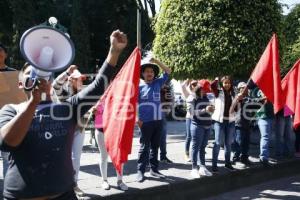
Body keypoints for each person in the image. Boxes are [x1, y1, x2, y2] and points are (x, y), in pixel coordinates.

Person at [0, 30, 127, 199]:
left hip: (64, 194)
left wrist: (114, 51)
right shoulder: (10, 110)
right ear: (21, 84)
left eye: (44, 76)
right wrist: (33, 103)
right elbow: (7, 142)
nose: (39, 80)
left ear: (51, 83)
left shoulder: (67, 109)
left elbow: (97, 87)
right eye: (31, 75)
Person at [51, 65, 87, 197]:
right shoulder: (63, 93)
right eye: (77, 79)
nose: (80, 81)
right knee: (63, 158)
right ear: (70, 80)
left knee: (76, 159)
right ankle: (62, 184)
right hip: (64, 131)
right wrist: (67, 72)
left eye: (81, 79)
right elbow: (55, 85)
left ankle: (74, 184)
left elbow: (87, 110)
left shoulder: (83, 93)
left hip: (79, 130)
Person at [136, 57, 172, 182]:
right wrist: (137, 118)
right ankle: (140, 171)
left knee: (155, 147)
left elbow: (168, 71)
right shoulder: (139, 87)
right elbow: (134, 104)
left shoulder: (158, 83)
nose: (149, 73)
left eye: (151, 71)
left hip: (158, 120)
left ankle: (154, 169)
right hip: (145, 122)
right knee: (144, 147)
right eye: (147, 71)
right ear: (143, 73)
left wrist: (156, 61)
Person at [93, 102, 128, 191]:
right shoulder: (98, 97)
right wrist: (93, 110)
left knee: (118, 156)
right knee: (104, 156)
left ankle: (120, 180)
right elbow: (93, 113)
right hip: (101, 131)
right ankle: (104, 180)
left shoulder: (119, 96)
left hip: (116, 131)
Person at [230, 82, 264, 166]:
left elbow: (256, 104)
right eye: (243, 87)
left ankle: (244, 158)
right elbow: (233, 108)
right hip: (239, 124)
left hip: (248, 124)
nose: (245, 89)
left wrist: (263, 100)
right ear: (239, 89)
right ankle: (235, 158)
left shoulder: (248, 98)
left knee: (246, 142)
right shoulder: (237, 98)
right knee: (239, 142)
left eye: (246, 87)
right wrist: (238, 99)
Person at [189, 80, 214, 178]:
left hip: (207, 125)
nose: (205, 92)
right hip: (197, 125)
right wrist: (205, 110)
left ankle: (202, 167)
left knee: (203, 147)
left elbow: (209, 110)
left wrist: (211, 109)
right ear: (199, 88)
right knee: (195, 147)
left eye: (206, 90)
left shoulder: (206, 97)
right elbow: (191, 112)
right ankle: (194, 168)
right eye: (204, 89)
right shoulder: (193, 97)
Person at [211, 76, 236, 172]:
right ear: (222, 84)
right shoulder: (218, 92)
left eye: (229, 83)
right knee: (217, 143)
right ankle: (214, 165)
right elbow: (212, 85)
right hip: (219, 122)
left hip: (230, 122)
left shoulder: (233, 93)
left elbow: (237, 107)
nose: (227, 84)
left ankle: (227, 163)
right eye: (225, 83)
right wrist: (217, 78)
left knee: (228, 144)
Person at [0, 43, 16, 179]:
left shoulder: (13, 73)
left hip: (6, 120)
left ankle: (7, 189)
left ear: (5, 54)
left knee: (7, 156)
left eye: (0, 50)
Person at [252, 88, 274, 167]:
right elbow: (254, 100)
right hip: (262, 117)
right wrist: (263, 98)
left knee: (267, 137)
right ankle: (263, 158)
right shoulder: (258, 90)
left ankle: (265, 156)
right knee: (265, 137)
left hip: (271, 116)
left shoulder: (272, 89)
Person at [181, 80, 198, 162]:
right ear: (190, 85)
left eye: (196, 84)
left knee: (197, 136)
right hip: (189, 118)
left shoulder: (199, 94)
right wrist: (189, 79)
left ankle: (196, 153)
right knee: (189, 136)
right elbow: (182, 85)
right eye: (193, 84)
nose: (194, 86)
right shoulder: (187, 94)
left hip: (198, 118)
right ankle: (186, 154)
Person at [159, 83, 173, 164]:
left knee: (163, 137)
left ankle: (163, 156)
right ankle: (149, 159)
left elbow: (170, 99)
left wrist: (168, 108)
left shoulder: (166, 88)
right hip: (152, 113)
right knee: (151, 138)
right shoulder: (152, 86)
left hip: (162, 113)